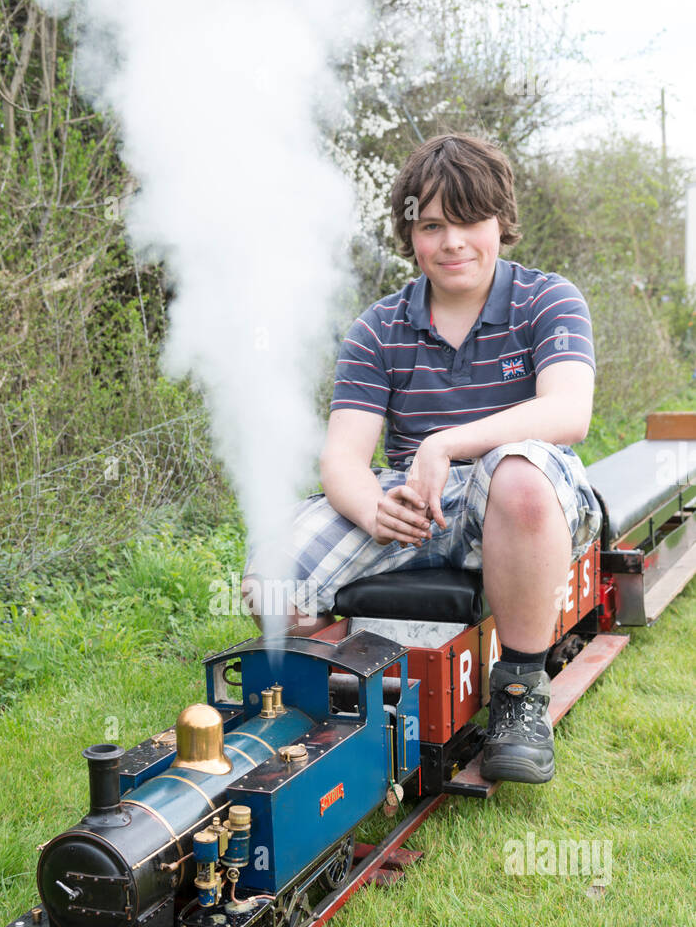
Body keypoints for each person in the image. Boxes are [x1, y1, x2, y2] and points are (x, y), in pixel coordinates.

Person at [242, 132, 602, 784]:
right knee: (270, 579)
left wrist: (444, 442)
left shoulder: (547, 301)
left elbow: (567, 413)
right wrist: (375, 511)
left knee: (517, 472)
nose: (452, 241)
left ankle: (519, 694)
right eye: (432, 224)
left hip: (524, 504)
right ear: (409, 234)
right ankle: (322, 706)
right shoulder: (378, 328)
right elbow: (343, 458)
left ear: (501, 221)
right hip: (413, 505)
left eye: (469, 220)